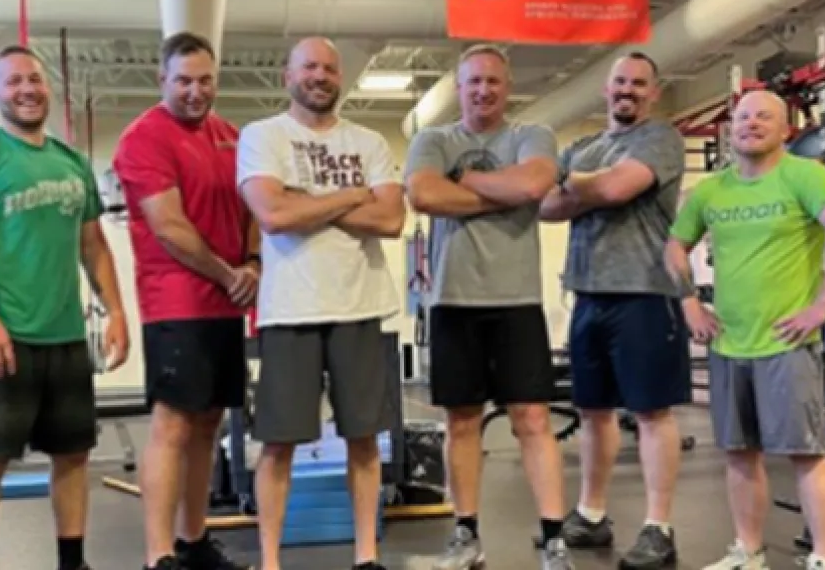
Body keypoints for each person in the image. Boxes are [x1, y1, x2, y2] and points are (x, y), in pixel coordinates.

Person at [0, 44, 129, 570]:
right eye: (14, 81)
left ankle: (73, 564)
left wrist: (116, 311)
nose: (27, 89)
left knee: (72, 456)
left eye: (35, 80)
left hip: (65, 338)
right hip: (4, 338)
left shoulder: (70, 163)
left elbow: (94, 246)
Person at [665, 89, 825, 570]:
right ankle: (748, 551)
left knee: (805, 454)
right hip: (729, 341)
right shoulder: (713, 190)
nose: (750, 124)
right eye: (742, 117)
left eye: (764, 117)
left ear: (785, 129)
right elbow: (675, 247)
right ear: (730, 129)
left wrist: (823, 305)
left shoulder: (805, 176)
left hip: (787, 341)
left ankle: (822, 557)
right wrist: (689, 302)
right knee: (739, 453)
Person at [237, 36, 403, 570]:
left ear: (340, 79)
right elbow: (273, 216)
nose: (320, 76)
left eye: (330, 68)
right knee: (278, 445)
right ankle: (269, 561)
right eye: (309, 66)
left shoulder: (370, 142)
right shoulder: (262, 136)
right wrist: (354, 194)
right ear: (288, 76)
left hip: (359, 306)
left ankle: (366, 556)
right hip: (290, 310)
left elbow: (391, 220)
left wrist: (304, 201)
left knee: (363, 439)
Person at [404, 44, 571, 570]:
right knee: (461, 421)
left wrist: (468, 182)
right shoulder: (433, 139)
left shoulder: (531, 135)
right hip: (454, 299)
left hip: (516, 300)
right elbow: (425, 197)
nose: (483, 90)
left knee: (533, 419)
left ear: (507, 84)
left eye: (493, 81)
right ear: (459, 85)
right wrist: (506, 192)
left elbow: (535, 183)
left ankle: (554, 539)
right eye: (473, 81)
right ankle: (466, 535)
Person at [112, 32, 259, 570]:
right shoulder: (144, 138)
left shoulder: (231, 136)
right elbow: (170, 228)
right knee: (173, 423)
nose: (195, 92)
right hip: (176, 301)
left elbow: (253, 212)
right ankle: (159, 555)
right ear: (162, 80)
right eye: (183, 81)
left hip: (225, 301)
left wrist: (254, 266)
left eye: (205, 80)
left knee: (209, 422)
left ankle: (193, 541)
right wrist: (228, 272)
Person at [539, 52, 689, 569]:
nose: (628, 90)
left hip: (645, 292)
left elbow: (614, 187)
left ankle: (658, 527)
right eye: (620, 82)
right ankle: (592, 513)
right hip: (587, 292)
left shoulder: (660, 139)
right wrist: (586, 188)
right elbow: (544, 207)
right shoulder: (584, 146)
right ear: (607, 90)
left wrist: (576, 186)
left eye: (638, 83)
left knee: (650, 412)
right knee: (592, 411)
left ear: (653, 91)